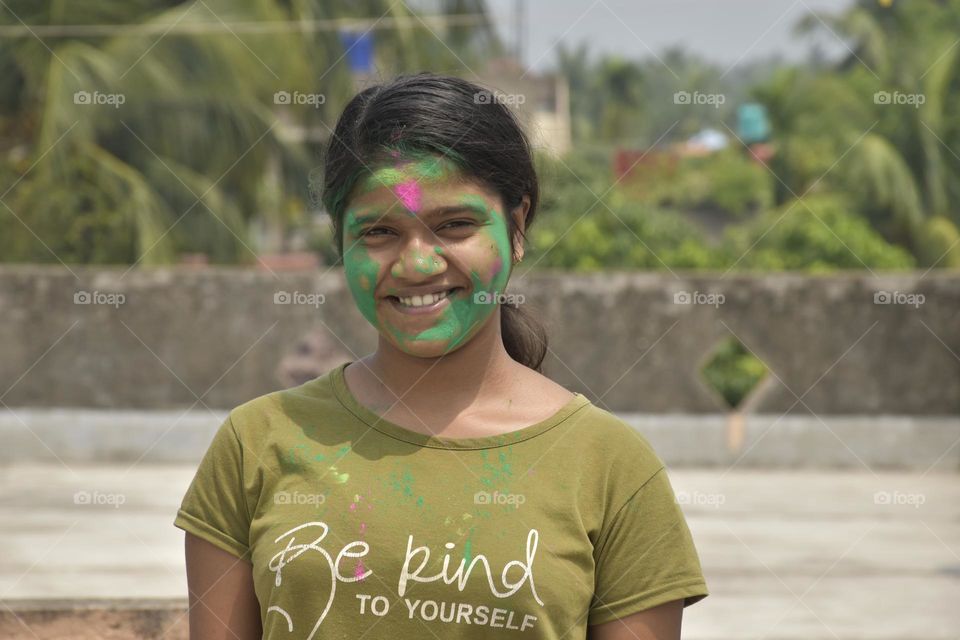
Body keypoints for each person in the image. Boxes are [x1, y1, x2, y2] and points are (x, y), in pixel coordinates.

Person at [174, 71, 709, 640]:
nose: (418, 264)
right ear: (341, 243)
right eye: (378, 232)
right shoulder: (256, 443)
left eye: (454, 225)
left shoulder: (612, 467)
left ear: (517, 226)